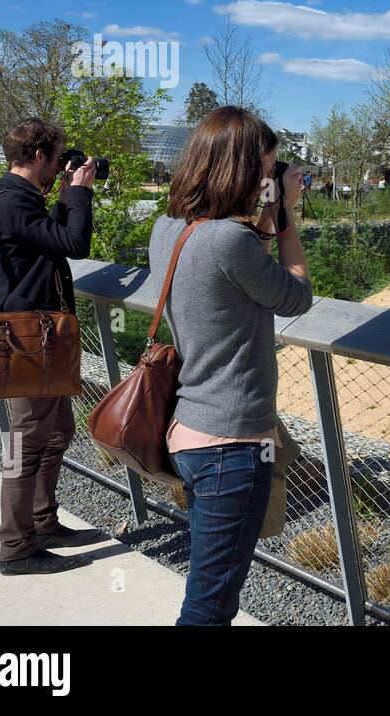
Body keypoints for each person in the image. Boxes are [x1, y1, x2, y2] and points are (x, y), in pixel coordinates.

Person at [149, 107, 312, 626]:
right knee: (210, 607)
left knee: (208, 588)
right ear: (242, 169)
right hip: (232, 446)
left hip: (189, 429)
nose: (271, 175)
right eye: (266, 167)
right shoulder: (230, 241)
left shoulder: (170, 227)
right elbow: (296, 296)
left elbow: (236, 266)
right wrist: (286, 216)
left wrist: (264, 216)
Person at [0, 118, 100, 575]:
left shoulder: (19, 199)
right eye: (58, 157)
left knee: (56, 432)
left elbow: (46, 244)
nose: (62, 164)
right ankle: (15, 548)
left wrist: (66, 192)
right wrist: (78, 192)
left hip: (43, 335)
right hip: (30, 340)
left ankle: (42, 522)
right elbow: (74, 243)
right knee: (26, 444)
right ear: (37, 157)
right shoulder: (13, 202)